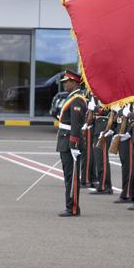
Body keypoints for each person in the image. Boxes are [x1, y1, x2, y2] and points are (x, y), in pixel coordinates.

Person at [54, 70, 87, 217]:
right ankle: (70, 204)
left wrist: (74, 144)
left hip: (70, 142)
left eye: (66, 82)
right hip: (64, 140)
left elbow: (76, 124)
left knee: (72, 177)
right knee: (68, 176)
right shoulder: (72, 97)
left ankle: (73, 207)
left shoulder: (77, 99)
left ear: (73, 83)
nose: (64, 84)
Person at [90, 95, 113, 195]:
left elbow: (106, 111)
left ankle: (104, 186)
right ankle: (102, 184)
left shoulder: (108, 93)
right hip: (97, 127)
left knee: (102, 159)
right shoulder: (97, 95)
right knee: (99, 159)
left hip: (104, 128)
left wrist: (94, 108)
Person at [115, 104, 134, 203]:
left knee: (129, 165)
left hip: (128, 136)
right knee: (125, 164)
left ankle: (128, 194)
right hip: (121, 134)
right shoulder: (123, 101)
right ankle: (126, 192)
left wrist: (129, 133)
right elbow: (118, 119)